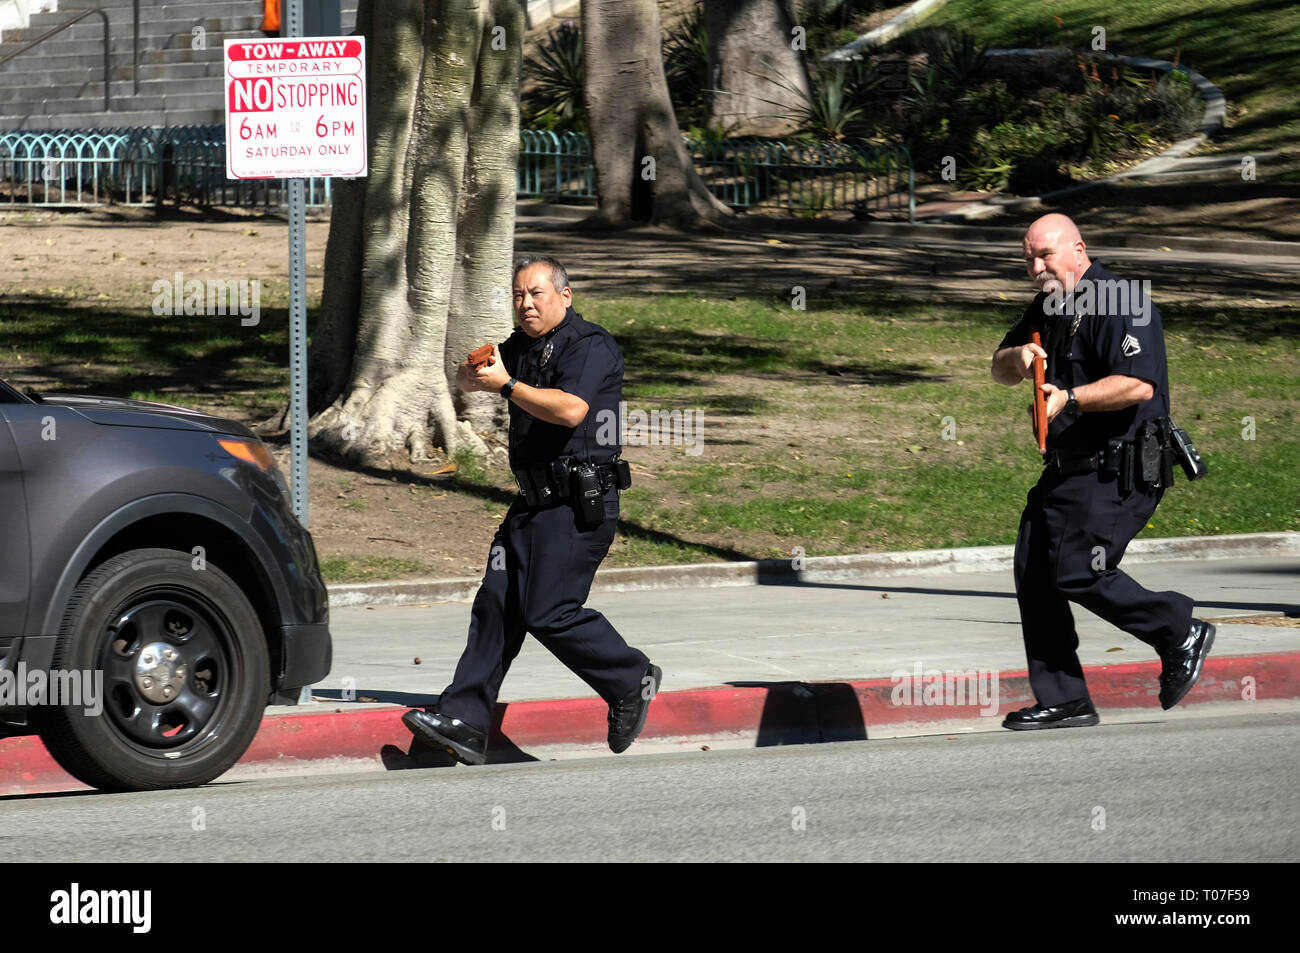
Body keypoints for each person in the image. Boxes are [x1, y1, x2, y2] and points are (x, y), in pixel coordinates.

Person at [403, 255, 661, 764]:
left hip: (577, 505)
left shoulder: (590, 346)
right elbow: (466, 379)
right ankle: (466, 721)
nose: (526, 304)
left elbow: (571, 410)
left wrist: (503, 385)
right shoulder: (521, 346)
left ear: (564, 295)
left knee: (549, 611)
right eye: (518, 295)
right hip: (531, 504)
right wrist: (472, 368)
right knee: (495, 604)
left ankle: (632, 679)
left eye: (536, 294)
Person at [990, 213, 1214, 729]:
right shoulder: (1049, 304)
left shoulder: (1121, 302)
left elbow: (1137, 386)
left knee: (1078, 570)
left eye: (1045, 254)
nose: (1036, 266)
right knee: (1035, 570)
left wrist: (1067, 398)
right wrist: (1018, 356)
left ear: (1079, 250)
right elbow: (998, 368)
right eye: (1028, 257)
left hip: (1123, 465)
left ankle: (1178, 629)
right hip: (1070, 466)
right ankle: (1065, 698)